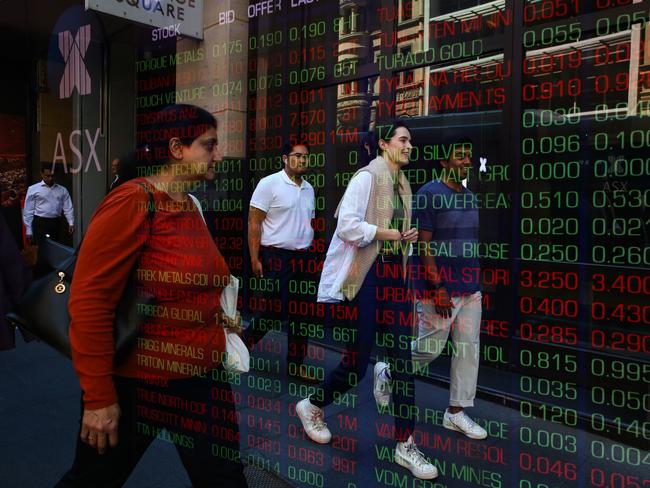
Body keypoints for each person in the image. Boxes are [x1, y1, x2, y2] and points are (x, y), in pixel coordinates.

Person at [56, 104, 247, 487]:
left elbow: (193, 281)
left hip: (200, 380)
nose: (219, 154)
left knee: (224, 479)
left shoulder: (189, 205)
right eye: (209, 145)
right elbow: (90, 303)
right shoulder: (133, 201)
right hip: (138, 384)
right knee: (92, 480)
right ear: (177, 148)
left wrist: (218, 315)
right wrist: (97, 398)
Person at [296, 120, 438, 480]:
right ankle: (312, 405)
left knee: (403, 365)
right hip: (367, 277)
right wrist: (389, 232)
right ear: (383, 143)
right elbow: (346, 225)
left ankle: (405, 444)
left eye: (411, 141)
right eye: (403, 139)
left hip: (395, 278)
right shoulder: (367, 177)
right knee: (357, 365)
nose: (409, 145)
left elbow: (405, 238)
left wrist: (404, 244)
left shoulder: (404, 185)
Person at [410, 138, 487, 440]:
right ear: (443, 162)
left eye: (469, 157)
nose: (466, 161)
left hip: (470, 289)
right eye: (460, 156)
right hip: (439, 290)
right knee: (428, 350)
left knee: (468, 349)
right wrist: (438, 286)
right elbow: (423, 245)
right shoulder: (429, 194)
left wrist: (477, 282)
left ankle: (456, 412)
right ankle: (390, 371)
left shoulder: (470, 197)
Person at [244, 142, 318, 382]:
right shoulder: (269, 184)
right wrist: (255, 258)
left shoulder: (309, 189)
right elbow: (254, 222)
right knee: (273, 311)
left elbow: (307, 222)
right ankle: (242, 346)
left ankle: (296, 365)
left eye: (306, 157)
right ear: (285, 158)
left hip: (303, 259)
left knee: (302, 313)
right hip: (276, 257)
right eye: (298, 156)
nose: (304, 161)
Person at [22, 162, 74, 246]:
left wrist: (71, 222)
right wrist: (29, 229)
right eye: (47, 175)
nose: (50, 178)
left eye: (52, 176)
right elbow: (28, 210)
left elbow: (68, 207)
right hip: (40, 222)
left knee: (56, 248)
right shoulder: (33, 189)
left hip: (55, 223)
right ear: (42, 174)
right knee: (40, 250)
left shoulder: (62, 190)